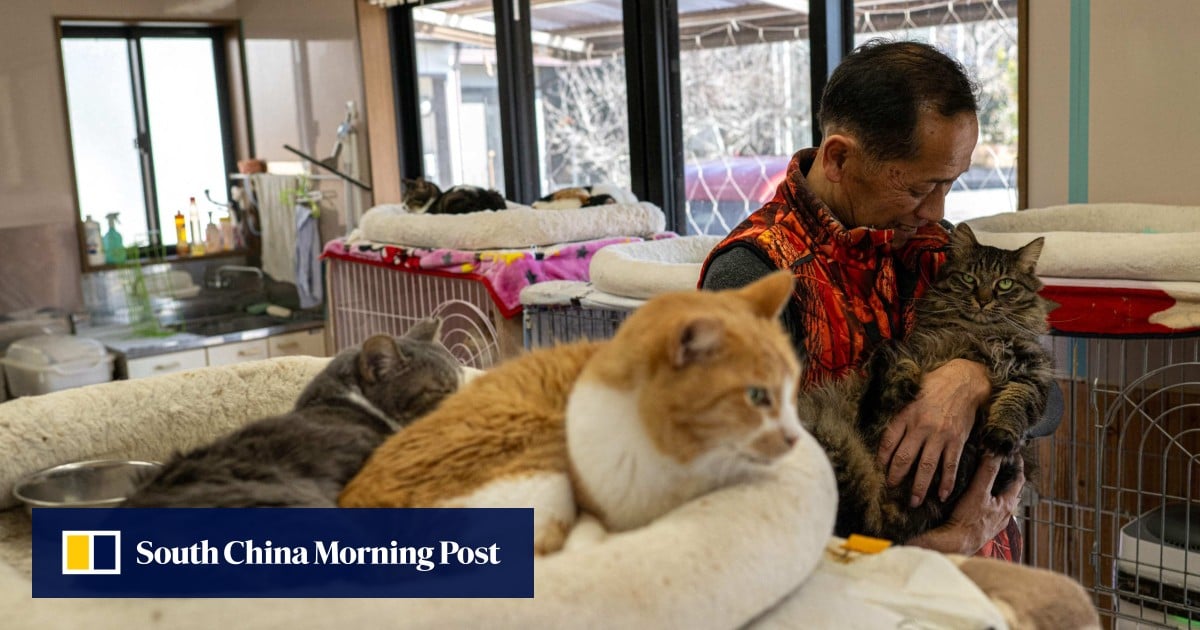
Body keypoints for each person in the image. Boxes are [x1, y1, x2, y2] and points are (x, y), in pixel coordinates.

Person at [699, 39, 1059, 560]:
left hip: (981, 571)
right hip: (858, 583)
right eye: (918, 189)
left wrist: (971, 381)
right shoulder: (754, 275)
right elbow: (746, 496)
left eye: (950, 184)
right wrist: (946, 544)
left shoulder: (937, 248)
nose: (936, 211)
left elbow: (1051, 404)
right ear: (840, 158)